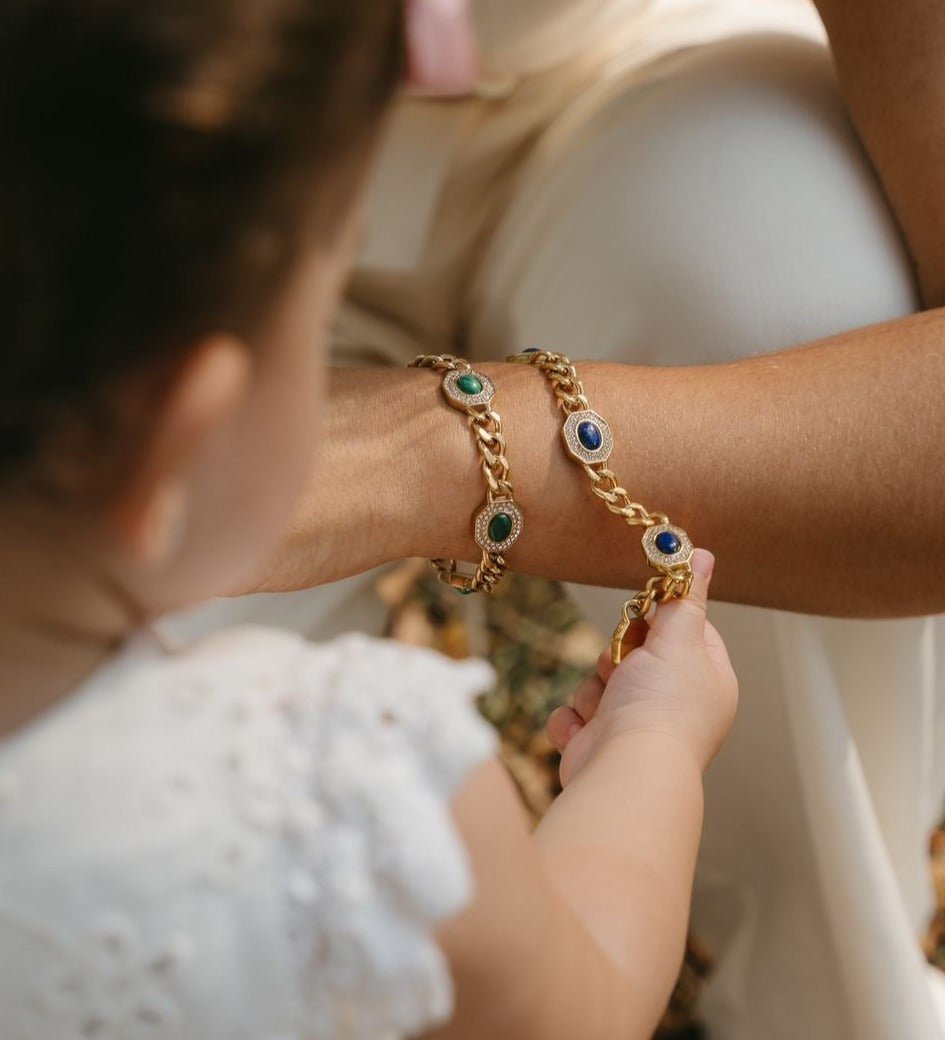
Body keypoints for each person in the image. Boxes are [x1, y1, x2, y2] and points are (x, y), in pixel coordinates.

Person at [216, 1, 945, 1037]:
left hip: (611, 93)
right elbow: (573, 1003)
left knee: (786, 276)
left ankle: (830, 995)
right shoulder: (382, 770)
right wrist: (650, 747)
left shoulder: (384, 771)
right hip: (124, 208)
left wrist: (430, 453)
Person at [0, 3, 739, 1038]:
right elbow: (587, 998)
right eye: (316, 332)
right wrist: (653, 746)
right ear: (184, 432)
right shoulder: (337, 791)